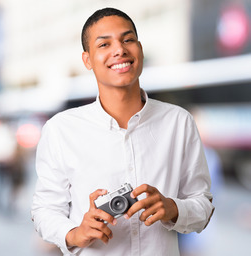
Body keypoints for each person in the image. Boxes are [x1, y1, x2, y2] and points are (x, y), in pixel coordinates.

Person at [31, 7, 215, 256]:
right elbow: (44, 210)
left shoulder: (179, 122)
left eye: (128, 40)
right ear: (87, 60)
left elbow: (203, 204)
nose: (119, 50)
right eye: (104, 44)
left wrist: (173, 208)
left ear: (139, 48)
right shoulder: (61, 130)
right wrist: (76, 233)